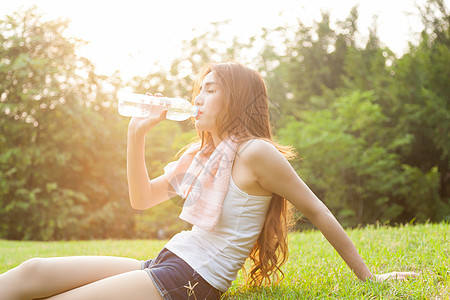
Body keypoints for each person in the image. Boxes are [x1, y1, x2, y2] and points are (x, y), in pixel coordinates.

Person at [0, 62, 418, 300]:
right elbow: (141, 199)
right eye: (197, 89)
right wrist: (135, 135)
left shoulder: (255, 152)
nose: (197, 98)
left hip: (192, 281)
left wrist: (368, 277)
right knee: (31, 273)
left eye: (209, 90)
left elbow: (317, 209)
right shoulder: (201, 155)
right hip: (165, 262)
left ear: (234, 98)